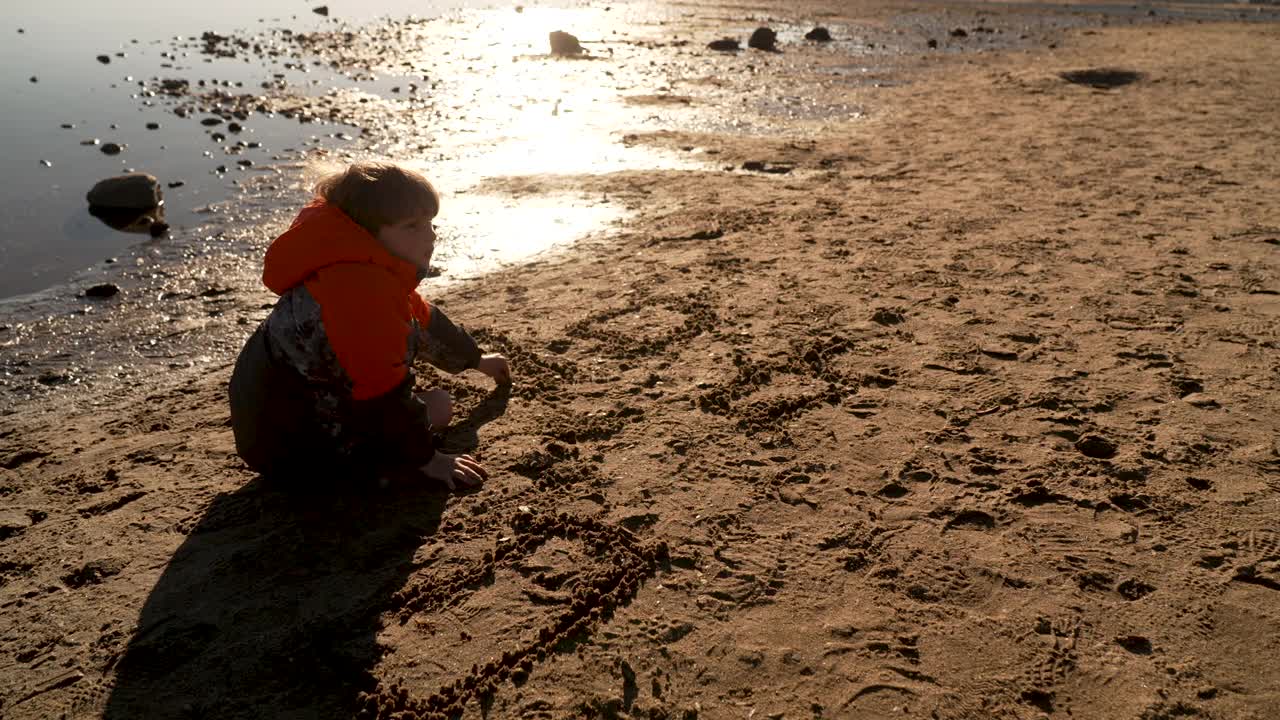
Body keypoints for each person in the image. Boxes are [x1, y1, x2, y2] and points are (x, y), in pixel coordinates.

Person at [228, 161, 510, 490]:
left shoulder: (357, 264)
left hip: (280, 429)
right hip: (296, 451)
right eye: (412, 226)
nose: (429, 235)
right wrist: (427, 460)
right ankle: (368, 472)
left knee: (430, 404)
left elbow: (423, 319)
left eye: (430, 223)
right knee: (438, 406)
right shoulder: (361, 290)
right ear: (367, 230)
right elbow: (382, 392)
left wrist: (477, 360)